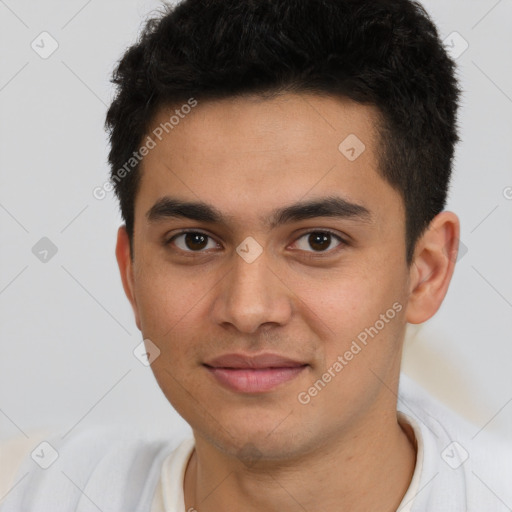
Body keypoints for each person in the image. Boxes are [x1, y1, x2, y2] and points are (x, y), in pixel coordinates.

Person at [1, 0, 510, 510]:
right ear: (131, 273)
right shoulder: (30, 490)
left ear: (426, 272)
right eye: (194, 241)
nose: (247, 310)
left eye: (318, 241)